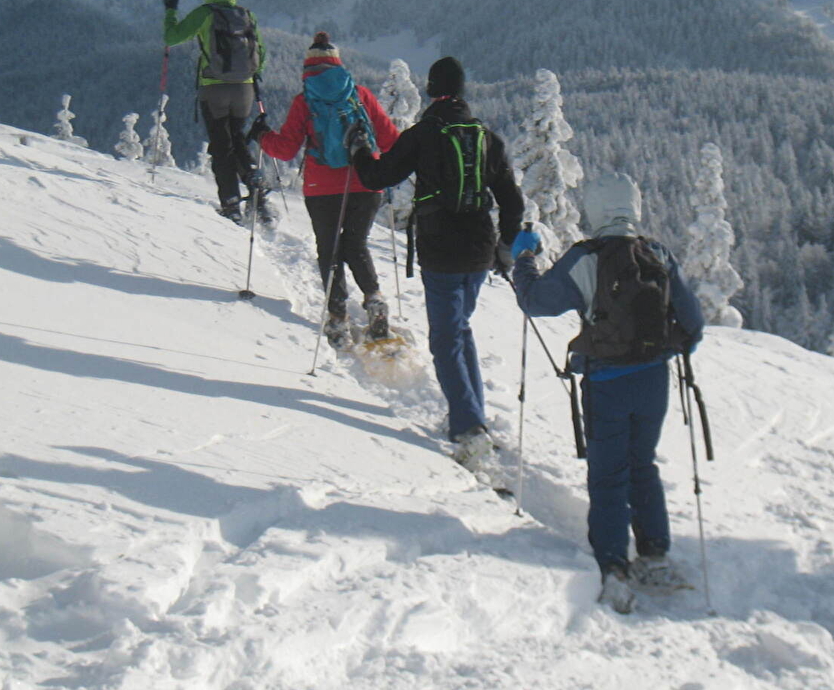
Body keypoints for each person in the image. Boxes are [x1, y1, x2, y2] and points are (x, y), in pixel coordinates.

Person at [510, 173, 704, 614]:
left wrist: (524, 258)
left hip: (606, 383)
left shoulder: (586, 258)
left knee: (608, 473)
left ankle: (613, 566)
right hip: (653, 381)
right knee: (642, 464)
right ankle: (655, 555)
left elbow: (535, 301)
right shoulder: (658, 254)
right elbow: (692, 325)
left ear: (595, 210)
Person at [349, 57, 524, 460]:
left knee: (445, 340)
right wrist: (506, 248)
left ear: (431, 91)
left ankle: (468, 426)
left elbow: (377, 177)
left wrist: (359, 150)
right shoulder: (487, 138)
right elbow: (512, 202)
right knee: (460, 329)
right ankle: (472, 415)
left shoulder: (424, 134)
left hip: (441, 248)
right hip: (480, 249)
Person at [248, 32, 400, 344]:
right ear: (338, 64)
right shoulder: (360, 95)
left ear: (308, 68)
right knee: (356, 245)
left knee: (329, 249)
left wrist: (262, 136)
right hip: (366, 184)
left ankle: (338, 317)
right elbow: (390, 141)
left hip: (322, 189)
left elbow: (286, 149)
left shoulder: (305, 101)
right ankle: (374, 300)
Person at [162, 0, 268, 223]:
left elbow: (171, 37)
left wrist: (171, 10)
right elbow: (261, 55)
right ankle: (254, 184)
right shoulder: (247, 15)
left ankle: (231, 204)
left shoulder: (205, 13)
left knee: (221, 145)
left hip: (214, 88)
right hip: (244, 89)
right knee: (238, 137)